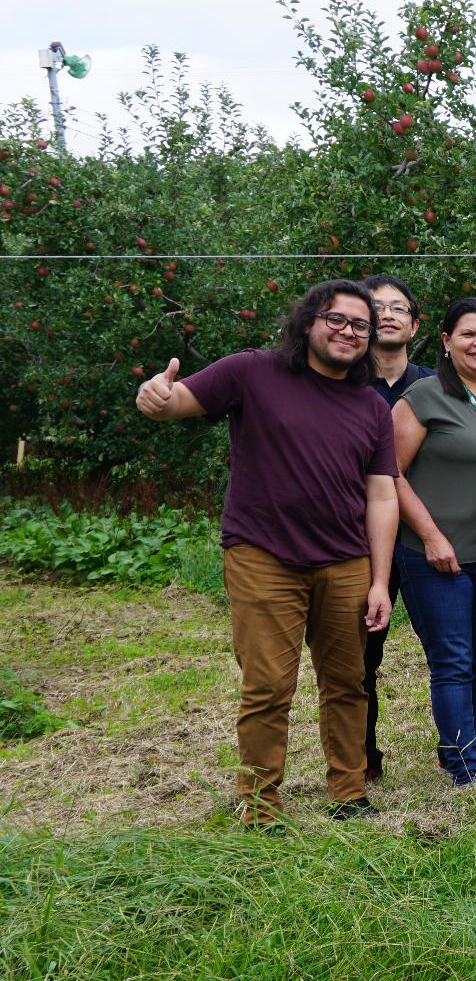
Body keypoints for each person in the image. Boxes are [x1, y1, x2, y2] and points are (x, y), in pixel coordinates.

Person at [134, 280, 397, 824]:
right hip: (263, 555)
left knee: (349, 683)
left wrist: (378, 580)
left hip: (345, 561)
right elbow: (177, 401)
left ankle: (348, 793)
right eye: (337, 319)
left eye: (361, 325)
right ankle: (260, 805)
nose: (349, 332)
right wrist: (156, 396)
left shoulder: (371, 405)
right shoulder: (252, 371)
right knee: (269, 686)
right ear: (307, 324)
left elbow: (381, 493)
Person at [389, 297, 476, 786]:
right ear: (447, 343)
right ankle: (466, 768)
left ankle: (469, 751)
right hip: (435, 555)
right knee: (451, 661)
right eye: (469, 334)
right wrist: (431, 536)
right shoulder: (423, 397)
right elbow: (389, 473)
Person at [359, 274, 435, 784]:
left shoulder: (437, 386)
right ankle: (361, 756)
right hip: (358, 538)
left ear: (415, 324)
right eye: (376, 307)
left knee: (452, 652)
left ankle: (464, 755)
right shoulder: (340, 380)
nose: (387, 315)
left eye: (398, 308)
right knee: (360, 656)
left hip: (430, 537)